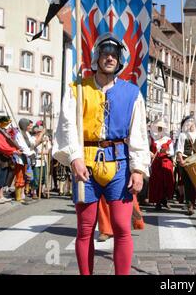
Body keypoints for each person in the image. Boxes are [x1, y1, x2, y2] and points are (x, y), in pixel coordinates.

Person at [52, 32, 150, 275]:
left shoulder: (132, 93)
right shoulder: (77, 89)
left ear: (120, 60)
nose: (110, 57)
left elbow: (138, 133)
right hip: (85, 163)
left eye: (114, 54)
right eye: (105, 53)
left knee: (121, 227)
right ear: (97, 56)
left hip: (119, 164)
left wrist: (138, 169)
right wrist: (74, 158)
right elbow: (67, 126)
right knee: (85, 228)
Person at [0, 117, 21, 204]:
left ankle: (1, 196)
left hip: (5, 157)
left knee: (3, 178)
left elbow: (8, 143)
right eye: (5, 123)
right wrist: (13, 151)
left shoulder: (2, 132)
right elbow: (2, 146)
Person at [148, 119, 175, 210]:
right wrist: (150, 153)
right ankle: (158, 202)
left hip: (166, 163)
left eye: (161, 128)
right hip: (156, 164)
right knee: (157, 183)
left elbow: (172, 152)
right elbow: (148, 150)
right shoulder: (153, 139)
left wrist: (166, 152)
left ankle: (165, 200)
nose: (160, 129)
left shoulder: (168, 140)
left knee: (166, 182)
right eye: (158, 128)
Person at [176, 116, 196, 215]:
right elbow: (179, 149)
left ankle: (194, 202)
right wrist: (181, 161)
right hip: (186, 161)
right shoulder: (182, 135)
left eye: (191, 121)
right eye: (187, 122)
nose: (189, 123)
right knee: (188, 183)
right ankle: (190, 204)